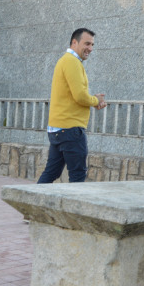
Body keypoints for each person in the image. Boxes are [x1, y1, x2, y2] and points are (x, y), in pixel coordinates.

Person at [37, 28, 107, 184]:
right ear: (74, 42)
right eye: (87, 43)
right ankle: (74, 209)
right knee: (77, 175)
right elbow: (80, 96)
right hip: (70, 130)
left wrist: (94, 101)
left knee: (51, 173)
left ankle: (27, 205)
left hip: (58, 129)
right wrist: (96, 101)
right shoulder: (71, 61)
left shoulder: (65, 60)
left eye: (92, 45)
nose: (90, 48)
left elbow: (75, 95)